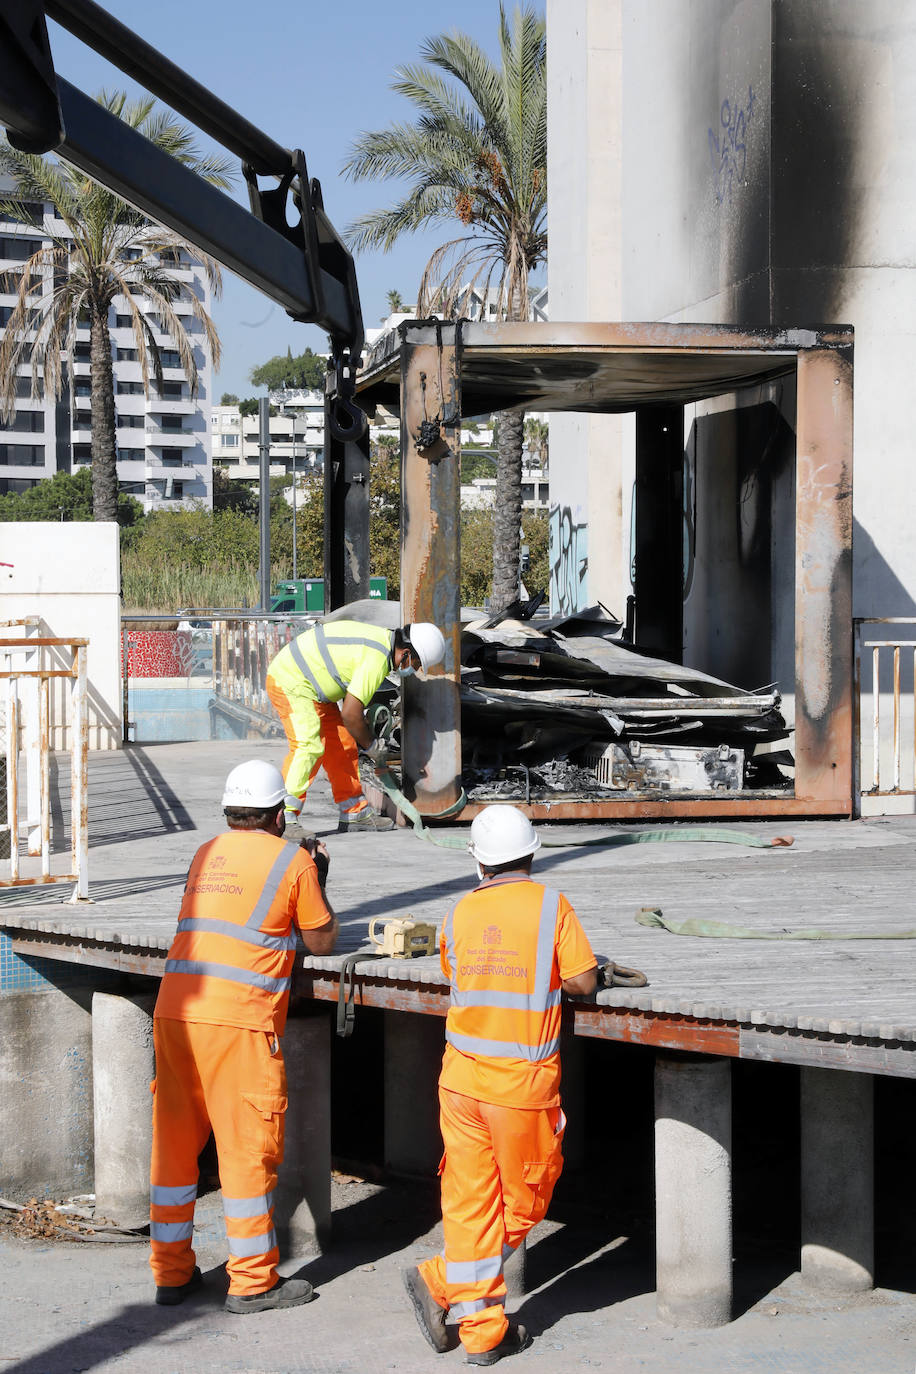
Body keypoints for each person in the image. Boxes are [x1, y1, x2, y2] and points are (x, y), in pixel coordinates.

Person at [402, 805, 598, 1366]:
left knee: (468, 1203)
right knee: (526, 1200)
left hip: (460, 1078)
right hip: (519, 1086)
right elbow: (581, 980)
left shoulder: (459, 910)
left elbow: (454, 970)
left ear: (479, 863)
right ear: (531, 854)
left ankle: (479, 1326)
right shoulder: (550, 905)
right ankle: (443, 1282)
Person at [149, 759, 338, 1314]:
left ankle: (171, 1274)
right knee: (245, 1151)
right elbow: (322, 941)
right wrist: (317, 875)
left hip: (176, 1012)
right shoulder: (293, 860)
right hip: (238, 1022)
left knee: (175, 1148)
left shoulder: (204, 853)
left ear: (231, 813)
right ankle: (253, 1281)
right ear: (279, 814)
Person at [265, 619, 446, 834]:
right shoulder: (377, 659)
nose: (414, 670)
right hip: (290, 681)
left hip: (312, 689)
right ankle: (284, 818)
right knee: (308, 746)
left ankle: (354, 812)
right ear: (405, 653)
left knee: (342, 746)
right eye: (416, 664)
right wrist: (372, 746)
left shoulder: (381, 644)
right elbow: (350, 714)